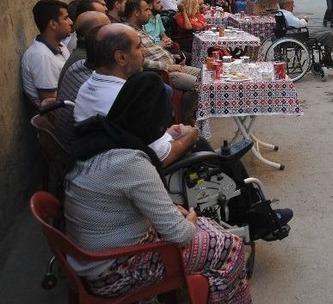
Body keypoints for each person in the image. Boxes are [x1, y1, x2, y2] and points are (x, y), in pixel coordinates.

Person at [65, 72, 252, 303]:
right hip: (115, 272)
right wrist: (190, 219)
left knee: (207, 226)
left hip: (91, 258)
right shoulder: (130, 162)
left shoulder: (101, 136)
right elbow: (180, 235)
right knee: (231, 247)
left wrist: (175, 213)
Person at [73, 23, 199, 166]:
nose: (144, 52)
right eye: (139, 47)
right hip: (134, 170)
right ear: (121, 57)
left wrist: (168, 133)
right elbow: (162, 157)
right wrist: (191, 135)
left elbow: (138, 136)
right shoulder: (126, 98)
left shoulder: (89, 85)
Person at [124, 0, 200, 122]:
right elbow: (140, 61)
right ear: (136, 13)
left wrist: (175, 57)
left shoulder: (139, 29)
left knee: (206, 76)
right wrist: (167, 67)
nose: (149, 12)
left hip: (172, 65)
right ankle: (185, 118)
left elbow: (155, 50)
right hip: (163, 73)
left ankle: (189, 113)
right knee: (200, 85)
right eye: (146, 10)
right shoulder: (129, 33)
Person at [21, 0, 72, 107]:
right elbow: (50, 104)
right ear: (53, 24)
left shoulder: (61, 46)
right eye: (66, 18)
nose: (71, 22)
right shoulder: (41, 56)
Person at [277, 0, 333, 68]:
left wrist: (300, 20)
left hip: (291, 35)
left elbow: (295, 22)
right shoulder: (287, 14)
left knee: (321, 32)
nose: (293, 6)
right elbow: (299, 24)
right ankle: (327, 58)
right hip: (298, 38)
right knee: (329, 35)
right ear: (286, 5)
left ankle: (327, 57)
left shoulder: (281, 13)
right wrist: (305, 20)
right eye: (292, 4)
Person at [60, 11, 111, 82]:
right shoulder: (85, 61)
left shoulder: (84, 54)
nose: (112, 33)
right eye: (108, 29)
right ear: (95, 33)